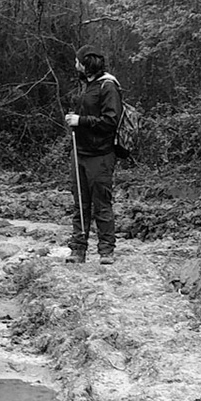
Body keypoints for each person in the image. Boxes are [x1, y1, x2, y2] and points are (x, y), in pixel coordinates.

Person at [64, 47, 122, 264]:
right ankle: (78, 250)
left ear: (87, 64)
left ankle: (106, 251)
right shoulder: (86, 85)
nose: (75, 66)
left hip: (101, 154)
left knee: (102, 203)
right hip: (79, 152)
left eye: (77, 62)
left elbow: (110, 122)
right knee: (80, 203)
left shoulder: (109, 86)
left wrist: (81, 121)